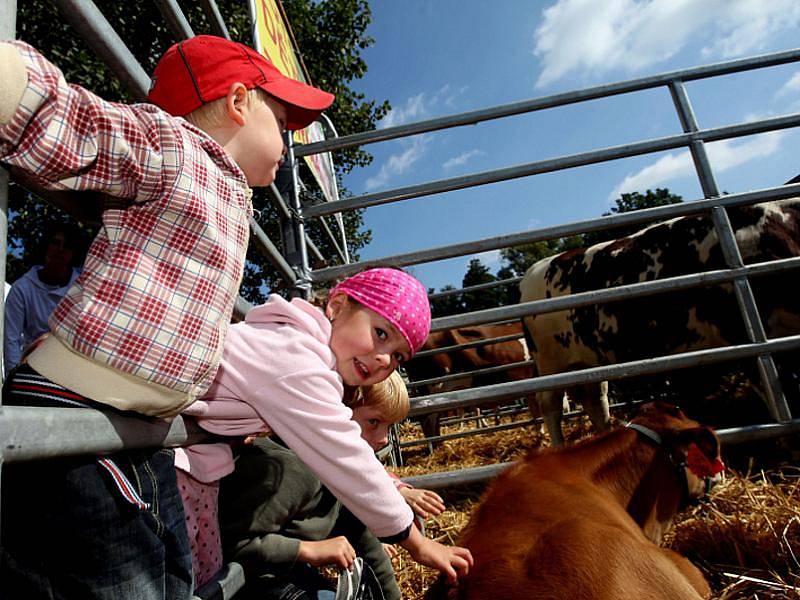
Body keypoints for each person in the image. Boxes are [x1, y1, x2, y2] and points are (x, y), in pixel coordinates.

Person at [0, 35, 333, 600]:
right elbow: (78, 124)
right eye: (281, 121)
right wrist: (13, 79)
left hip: (137, 430)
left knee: (178, 578)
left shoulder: (228, 192)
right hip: (77, 408)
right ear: (236, 102)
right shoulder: (175, 146)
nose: (287, 141)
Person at [174, 268, 473, 592]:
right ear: (338, 306)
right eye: (381, 333)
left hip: (181, 445)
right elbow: (349, 458)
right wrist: (418, 544)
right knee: (183, 576)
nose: (384, 358)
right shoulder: (299, 360)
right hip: (152, 448)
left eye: (399, 356)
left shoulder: (297, 343)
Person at [3, 222, 87, 375]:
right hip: (35, 366)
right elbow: (11, 341)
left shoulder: (83, 285)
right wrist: (12, 380)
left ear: (73, 253)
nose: (60, 250)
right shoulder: (22, 289)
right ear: (46, 246)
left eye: (66, 246)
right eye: (55, 243)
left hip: (75, 365)